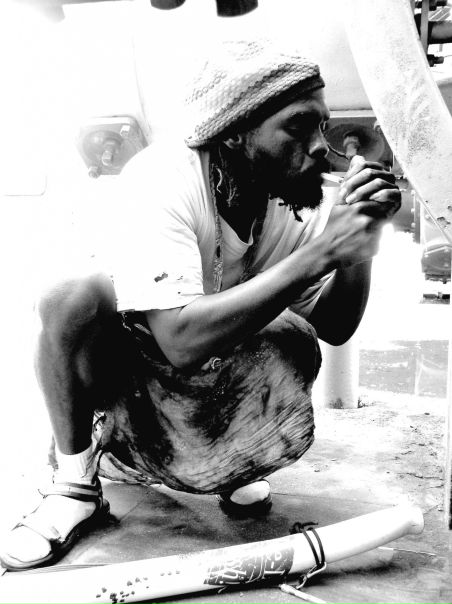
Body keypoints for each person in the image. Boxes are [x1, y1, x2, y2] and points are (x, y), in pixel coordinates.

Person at [0, 37, 400, 571]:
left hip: (202, 384)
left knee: (293, 337)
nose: (320, 148)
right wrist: (324, 250)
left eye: (321, 127)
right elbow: (179, 342)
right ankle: (75, 485)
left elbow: (335, 325)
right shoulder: (164, 177)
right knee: (68, 296)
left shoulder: (290, 200)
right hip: (126, 388)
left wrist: (360, 243)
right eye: (298, 127)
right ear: (233, 133)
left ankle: (231, 466)